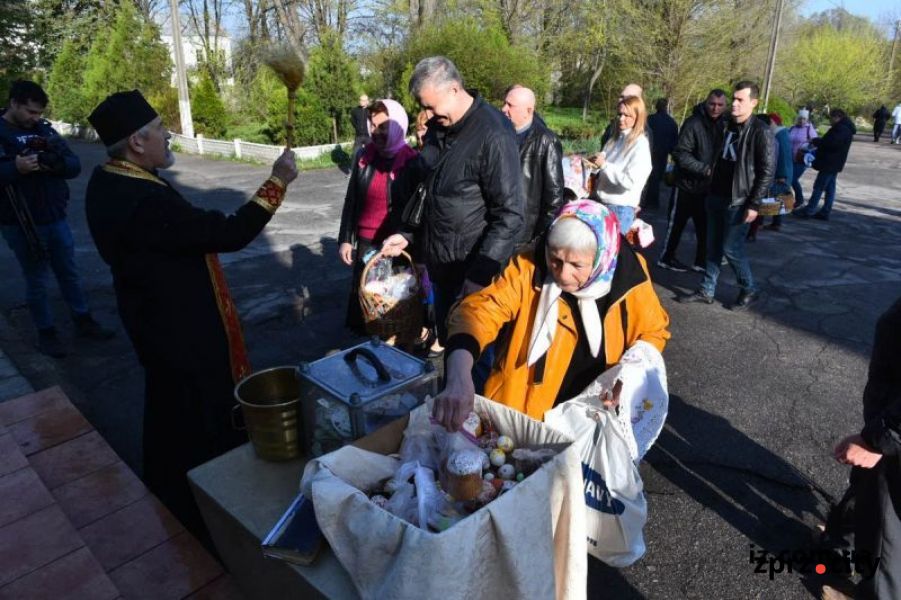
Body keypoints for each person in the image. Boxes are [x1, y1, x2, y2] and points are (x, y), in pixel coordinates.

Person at [84, 90, 299, 538]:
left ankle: (174, 492)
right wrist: (277, 181)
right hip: (180, 330)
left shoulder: (109, 179)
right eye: (162, 129)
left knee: (169, 410)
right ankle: (204, 512)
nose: (169, 137)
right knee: (199, 417)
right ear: (137, 142)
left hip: (152, 319)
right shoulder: (141, 198)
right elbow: (229, 232)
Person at [431, 200, 670, 429]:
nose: (563, 275)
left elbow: (652, 332)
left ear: (602, 258)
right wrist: (459, 374)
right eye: (555, 260)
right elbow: (480, 311)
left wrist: (627, 377)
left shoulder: (630, 277)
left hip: (593, 416)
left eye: (576, 265)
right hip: (525, 412)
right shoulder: (529, 265)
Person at [380, 56, 524, 345]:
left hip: (473, 275)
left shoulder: (493, 134)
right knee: (450, 347)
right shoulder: (438, 127)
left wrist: (479, 275)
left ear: (454, 90)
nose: (429, 114)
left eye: (431, 106)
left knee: (474, 357)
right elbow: (429, 190)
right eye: (424, 108)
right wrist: (408, 234)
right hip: (442, 268)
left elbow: (510, 214)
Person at [0, 80, 114, 358]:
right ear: (13, 103)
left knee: (69, 272)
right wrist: (14, 167)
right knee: (37, 279)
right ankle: (46, 333)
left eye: (39, 113)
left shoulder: (44, 130)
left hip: (54, 216)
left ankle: (83, 320)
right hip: (21, 223)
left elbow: (73, 164)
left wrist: (56, 163)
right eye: (30, 112)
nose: (35, 118)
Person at [824, 296, 901, 600]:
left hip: (891, 439)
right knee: (866, 492)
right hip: (886, 416)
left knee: (886, 531)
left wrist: (879, 441)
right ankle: (841, 546)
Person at [680, 81, 773, 310]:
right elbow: (700, 117)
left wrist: (754, 204)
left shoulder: (760, 131)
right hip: (715, 194)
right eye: (734, 99)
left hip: (739, 199)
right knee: (712, 245)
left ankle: (749, 287)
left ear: (754, 103)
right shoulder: (725, 124)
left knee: (731, 248)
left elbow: (766, 171)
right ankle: (707, 289)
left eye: (740, 100)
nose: (734, 104)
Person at [338, 99, 421, 337]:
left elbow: (418, 212)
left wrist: (410, 240)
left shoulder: (412, 162)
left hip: (394, 246)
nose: (375, 132)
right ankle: (368, 354)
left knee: (393, 308)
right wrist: (346, 238)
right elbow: (351, 200)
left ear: (397, 126)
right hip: (366, 243)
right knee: (366, 305)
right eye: (372, 126)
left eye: (382, 127)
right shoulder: (364, 157)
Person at [657, 89, 726, 273]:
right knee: (676, 226)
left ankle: (700, 261)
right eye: (712, 103)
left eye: (720, 105)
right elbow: (680, 153)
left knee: (704, 228)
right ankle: (666, 257)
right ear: (706, 102)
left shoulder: (723, 125)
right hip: (685, 185)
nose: (715, 108)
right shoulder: (693, 123)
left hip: (707, 188)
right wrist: (705, 169)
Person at [501, 85, 564, 246]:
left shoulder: (546, 141)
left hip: (523, 233)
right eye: (504, 103)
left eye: (510, 105)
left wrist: (538, 239)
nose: (503, 109)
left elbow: (554, 197)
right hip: (498, 225)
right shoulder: (499, 135)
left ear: (528, 111)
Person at [587, 95, 652, 234]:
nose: (621, 118)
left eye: (627, 115)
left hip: (620, 210)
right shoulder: (615, 138)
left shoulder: (640, 145)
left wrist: (604, 165)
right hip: (600, 204)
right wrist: (594, 163)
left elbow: (629, 181)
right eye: (619, 114)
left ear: (637, 117)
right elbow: (603, 160)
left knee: (610, 255)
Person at [792, 108, 855, 221]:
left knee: (819, 186)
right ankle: (825, 211)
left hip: (830, 162)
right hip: (834, 162)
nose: (830, 121)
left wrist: (817, 141)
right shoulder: (844, 128)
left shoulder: (841, 129)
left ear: (837, 117)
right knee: (830, 188)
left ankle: (809, 209)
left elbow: (831, 144)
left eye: (831, 118)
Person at [747, 113, 792, 238]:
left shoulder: (777, 136)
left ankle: (757, 227)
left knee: (766, 200)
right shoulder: (778, 134)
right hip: (775, 174)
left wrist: (782, 174)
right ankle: (762, 226)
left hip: (773, 174)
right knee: (769, 199)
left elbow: (782, 156)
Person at [645, 98, 679, 209]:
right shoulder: (671, 122)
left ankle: (649, 200)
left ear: (656, 107)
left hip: (650, 151)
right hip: (663, 152)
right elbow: (675, 140)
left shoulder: (649, 119)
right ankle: (653, 201)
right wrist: (672, 153)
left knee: (651, 176)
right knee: (657, 176)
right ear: (666, 107)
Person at [787, 109, 817, 212]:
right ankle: (795, 201)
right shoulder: (792, 128)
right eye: (800, 118)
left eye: (804, 119)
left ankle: (798, 200)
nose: (802, 121)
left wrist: (807, 146)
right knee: (789, 179)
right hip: (790, 159)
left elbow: (815, 143)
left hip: (801, 159)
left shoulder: (809, 129)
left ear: (807, 120)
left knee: (792, 179)